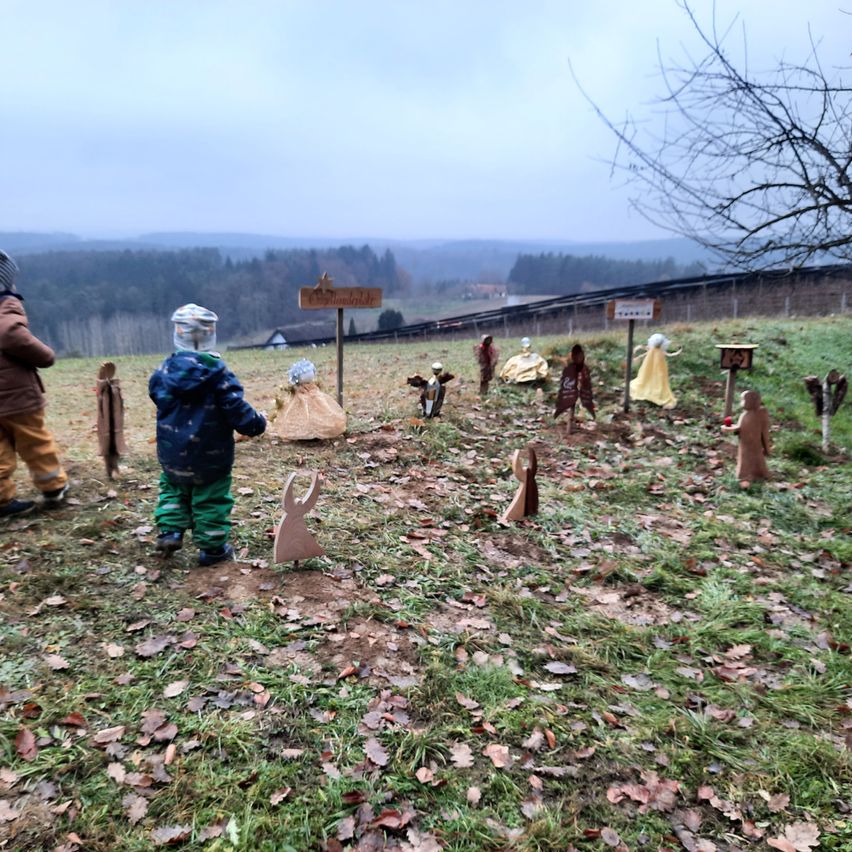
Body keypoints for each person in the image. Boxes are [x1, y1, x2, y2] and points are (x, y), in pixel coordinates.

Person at [149, 304, 265, 565]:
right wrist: (257, 424)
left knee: (173, 489)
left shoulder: (163, 371)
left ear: (177, 334)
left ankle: (170, 531)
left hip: (172, 451)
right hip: (212, 456)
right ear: (211, 334)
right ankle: (212, 549)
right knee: (211, 497)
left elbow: (156, 396)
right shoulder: (219, 373)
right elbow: (237, 410)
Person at [0, 249, 69, 517]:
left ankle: (2, 500)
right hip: (17, 400)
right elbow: (10, 334)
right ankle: (52, 487)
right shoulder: (5, 308)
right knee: (35, 442)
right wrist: (46, 356)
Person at [268, 358, 346, 441]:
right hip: (300, 399)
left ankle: (318, 428)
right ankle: (303, 431)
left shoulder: (313, 386)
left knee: (321, 410)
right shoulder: (298, 388)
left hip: (316, 398)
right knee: (300, 413)